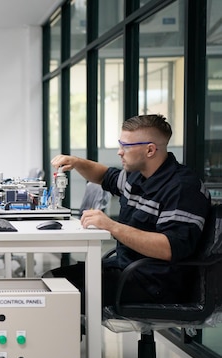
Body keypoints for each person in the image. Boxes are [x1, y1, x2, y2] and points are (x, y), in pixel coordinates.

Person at [48, 114, 211, 308]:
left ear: (150, 150)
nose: (119, 152)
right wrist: (76, 162)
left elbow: (169, 248)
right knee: (51, 281)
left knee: (60, 297)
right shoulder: (137, 176)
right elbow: (104, 176)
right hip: (127, 268)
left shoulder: (182, 188)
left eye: (126, 146)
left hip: (155, 284)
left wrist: (111, 226)